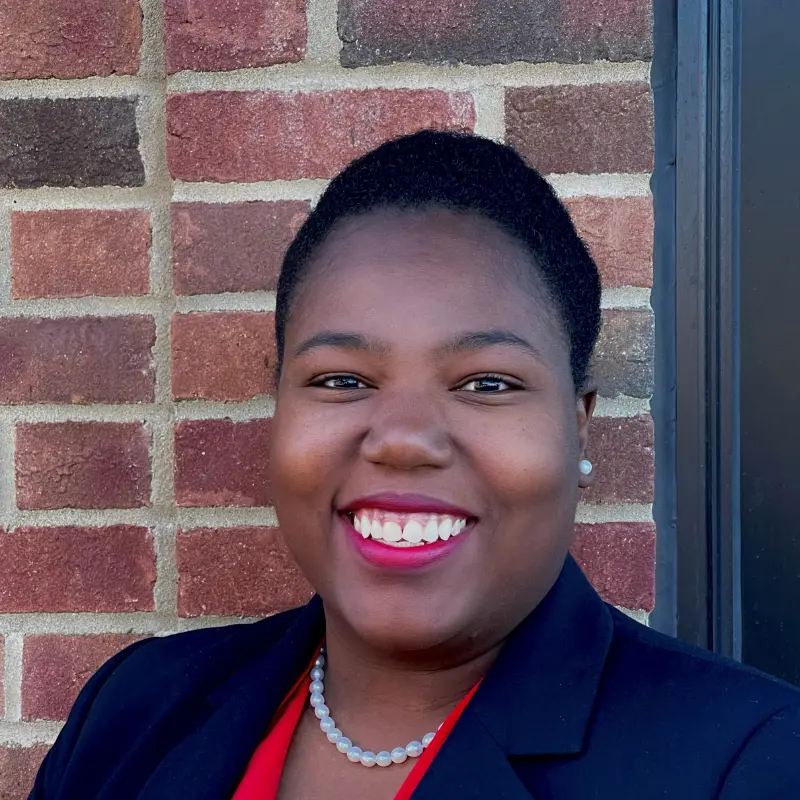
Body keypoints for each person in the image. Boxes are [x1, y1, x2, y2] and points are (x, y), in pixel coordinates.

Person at [30, 131, 800, 800]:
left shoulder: (748, 762)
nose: (401, 439)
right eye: (342, 381)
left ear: (577, 428)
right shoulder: (133, 713)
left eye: (487, 383)